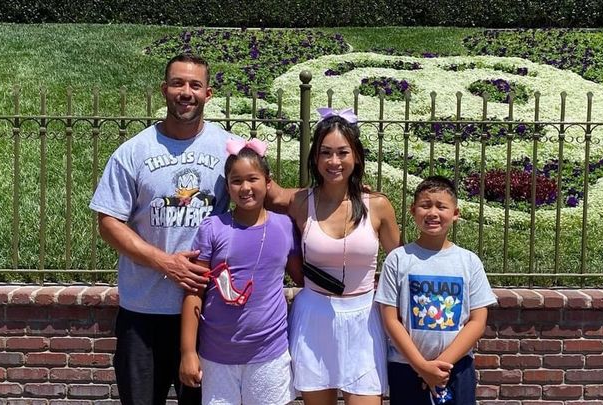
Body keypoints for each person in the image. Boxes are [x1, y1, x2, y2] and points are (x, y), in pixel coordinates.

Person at [89, 53, 238, 404]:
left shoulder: (228, 150)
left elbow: (266, 197)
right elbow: (108, 223)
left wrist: (343, 193)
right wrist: (166, 263)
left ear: (208, 94)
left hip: (205, 312)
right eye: (177, 83)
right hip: (143, 312)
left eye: (195, 85)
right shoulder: (133, 151)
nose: (186, 92)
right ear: (164, 89)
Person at [267, 107, 401, 405]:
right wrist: (246, 149)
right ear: (315, 158)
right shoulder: (301, 201)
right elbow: (262, 189)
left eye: (343, 152)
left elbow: (400, 265)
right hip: (314, 317)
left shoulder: (378, 205)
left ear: (357, 156)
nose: (334, 161)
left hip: (364, 318)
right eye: (325, 153)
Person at [179, 138, 303, 405]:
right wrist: (188, 351)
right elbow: (194, 290)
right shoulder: (213, 228)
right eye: (236, 181)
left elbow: (303, 278)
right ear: (227, 187)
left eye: (253, 179)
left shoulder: (284, 226)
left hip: (269, 354)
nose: (245, 187)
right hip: (217, 355)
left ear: (268, 182)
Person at [374, 175, 497, 405]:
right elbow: (390, 319)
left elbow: (477, 321)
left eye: (441, 207)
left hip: (456, 368)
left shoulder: (469, 261)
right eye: (425, 205)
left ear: (455, 213)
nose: (433, 213)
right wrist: (422, 366)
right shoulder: (398, 259)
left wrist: (441, 366)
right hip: (407, 367)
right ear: (413, 211)